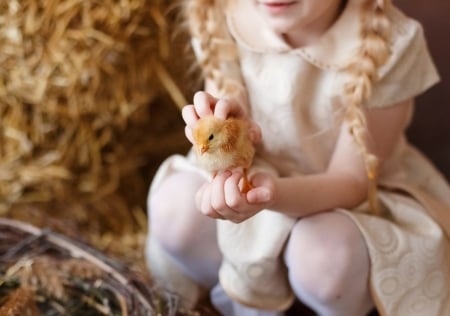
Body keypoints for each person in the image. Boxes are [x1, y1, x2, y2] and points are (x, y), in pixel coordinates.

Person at [146, 0, 450, 315]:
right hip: (261, 175)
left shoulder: (388, 42)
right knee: (174, 209)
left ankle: (315, 302)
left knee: (326, 259)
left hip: (344, 202)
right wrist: (223, 121)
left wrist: (272, 194)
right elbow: (231, 114)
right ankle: (245, 298)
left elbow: (351, 182)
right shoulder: (227, 12)